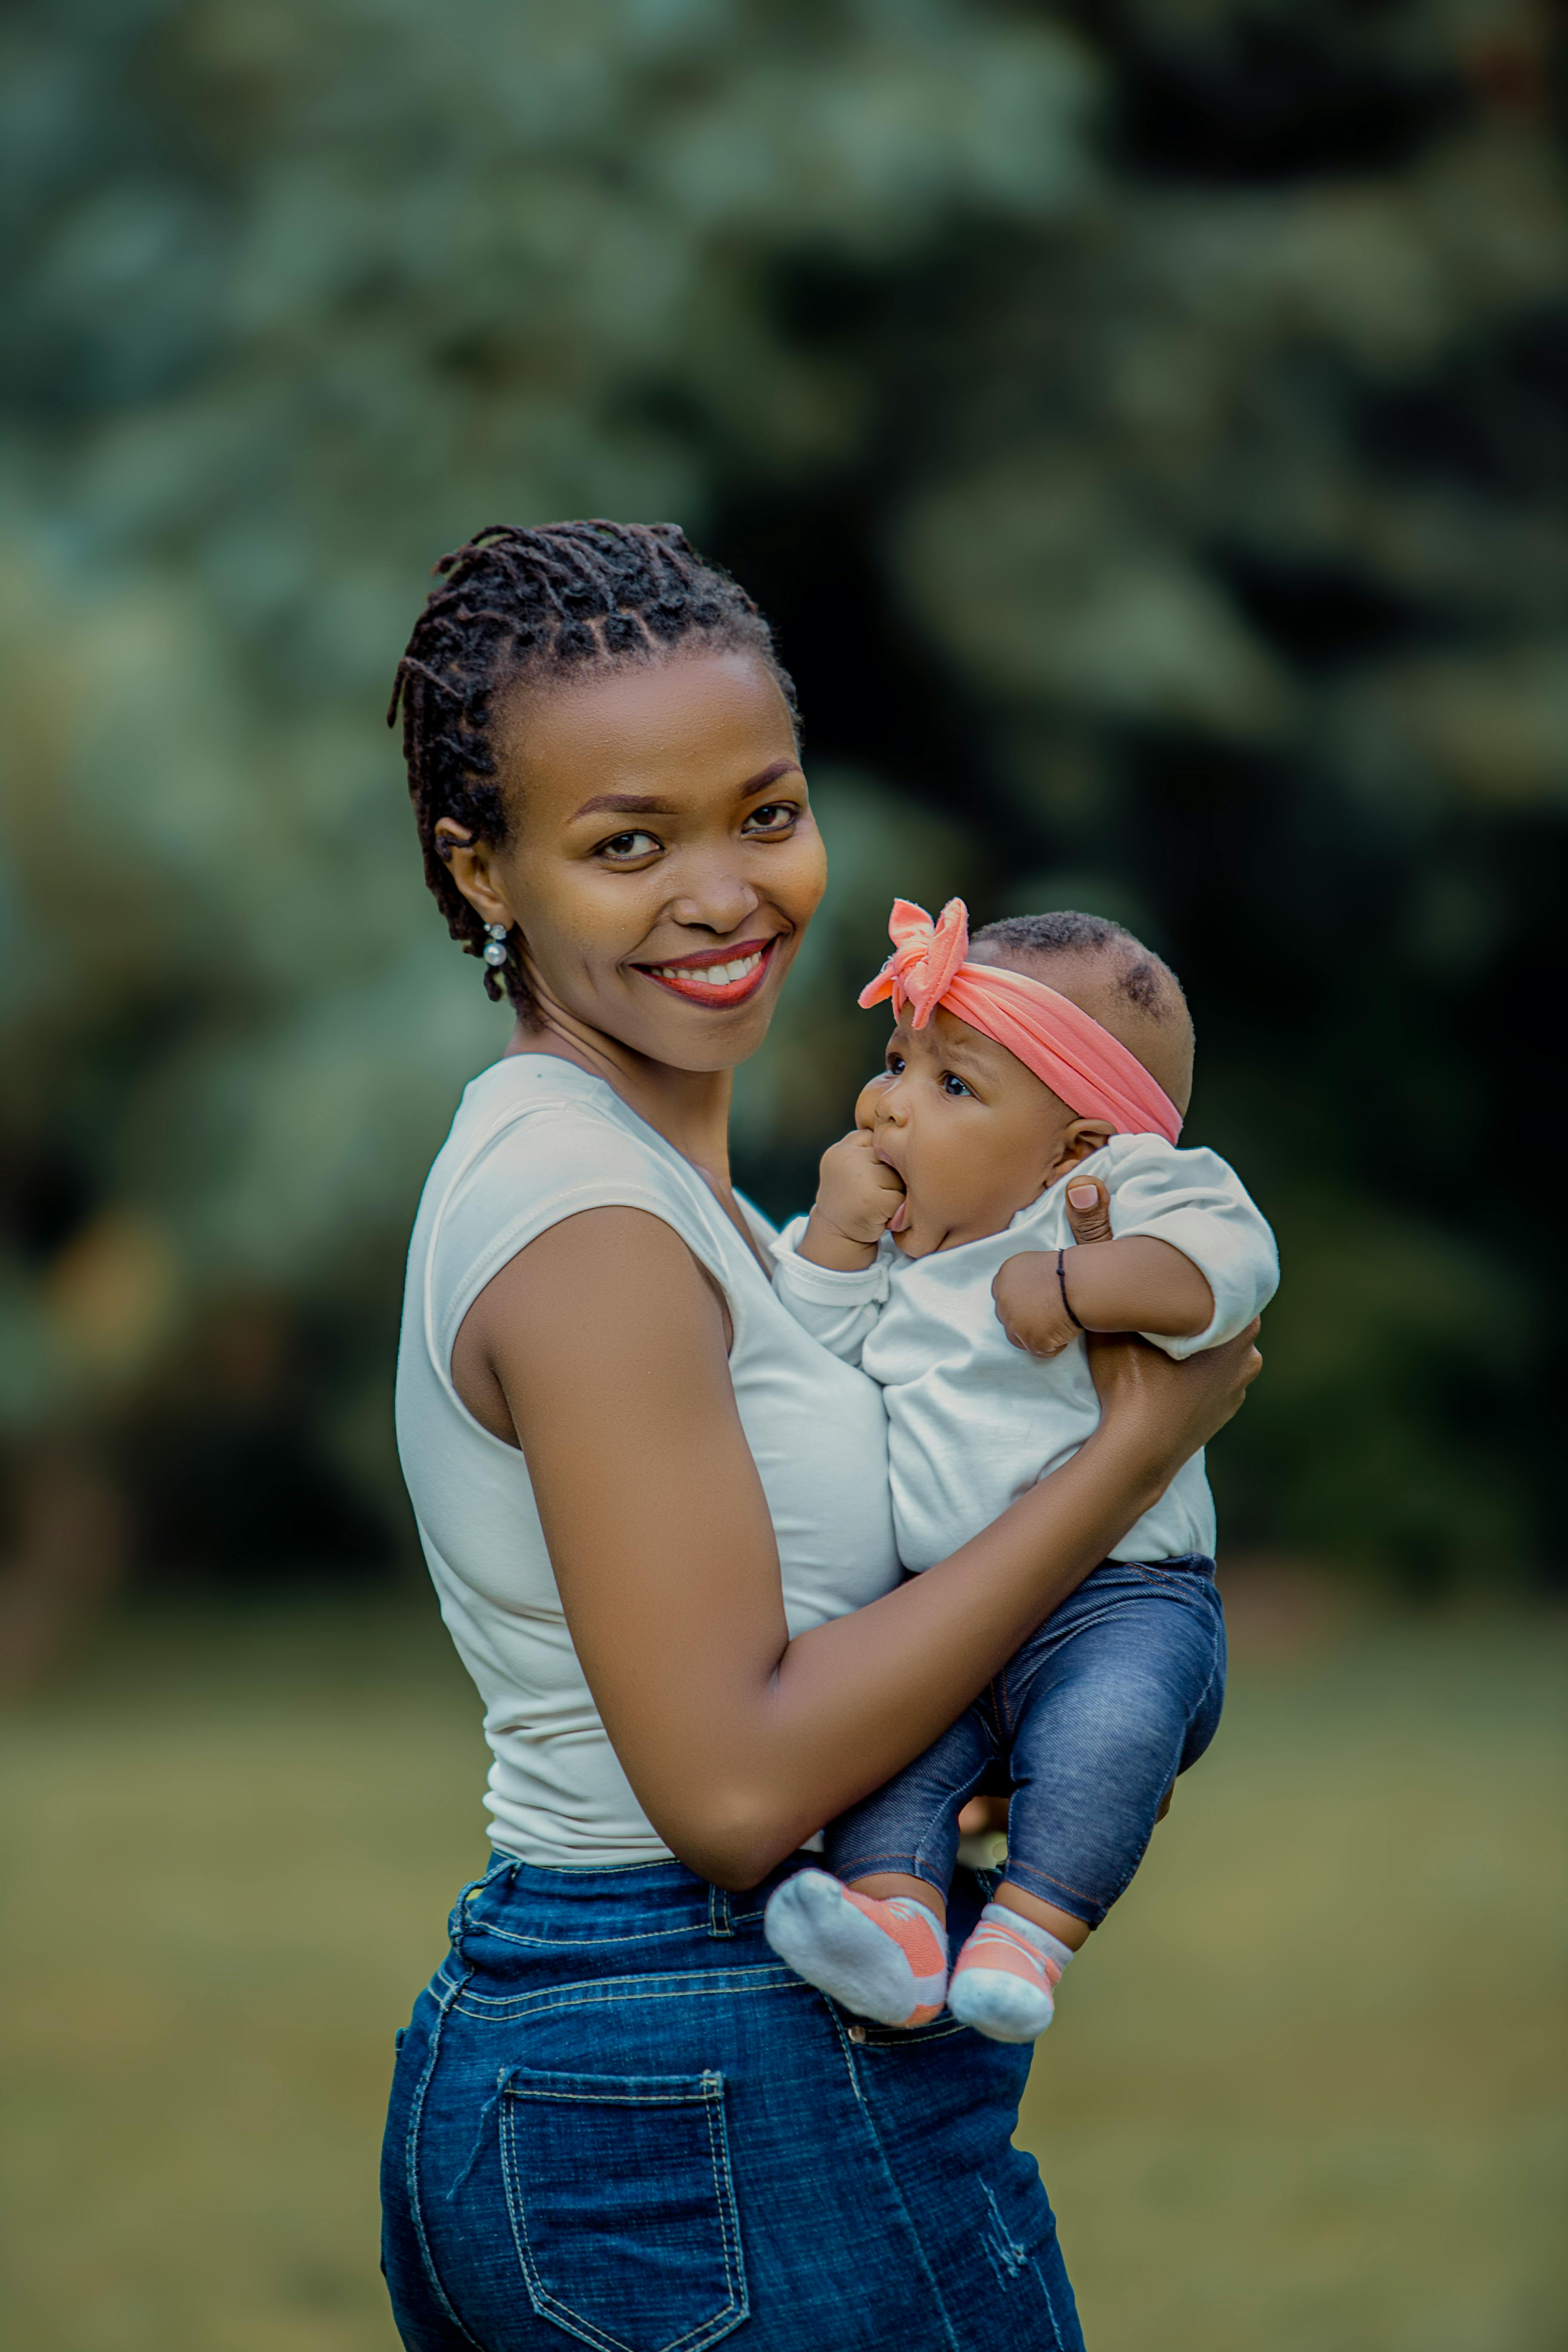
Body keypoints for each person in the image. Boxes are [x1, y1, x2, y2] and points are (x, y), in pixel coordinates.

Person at [379, 518, 1261, 2352]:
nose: (726, 895)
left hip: (648, 2063)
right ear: (482, 870)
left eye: (764, 814)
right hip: (705, 2067)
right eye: (629, 844)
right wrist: (1128, 1461)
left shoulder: (677, 1190)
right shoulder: (588, 1223)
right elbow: (729, 1792)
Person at [763, 896, 1277, 2043]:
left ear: (1077, 1148)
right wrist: (836, 1241)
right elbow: (801, 1358)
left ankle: (1030, 1937)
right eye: (895, 1064)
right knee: (887, 1764)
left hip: (1120, 1605)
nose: (886, 1104)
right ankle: (895, 1929)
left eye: (952, 1084)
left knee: (1106, 1741)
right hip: (943, 1614)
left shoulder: (1109, 1200)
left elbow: (1232, 1269)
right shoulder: (896, 1247)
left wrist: (1074, 1286)